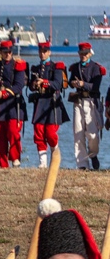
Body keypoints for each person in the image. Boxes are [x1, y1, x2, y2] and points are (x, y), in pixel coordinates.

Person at [29, 41, 69, 168]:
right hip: (40, 103)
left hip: (52, 103)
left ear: (49, 52)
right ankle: (43, 163)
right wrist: (34, 85)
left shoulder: (56, 67)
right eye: (40, 51)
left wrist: (44, 82)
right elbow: (30, 86)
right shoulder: (35, 69)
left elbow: (57, 84)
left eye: (45, 51)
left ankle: (55, 152)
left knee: (51, 133)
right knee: (39, 133)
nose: (42, 53)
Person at [0, 40, 30, 168]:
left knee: (13, 132)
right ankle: (2, 164)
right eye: (5, 52)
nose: (8, 54)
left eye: (10, 52)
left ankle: (15, 158)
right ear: (0, 52)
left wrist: (4, 94)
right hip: (0, 105)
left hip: (14, 105)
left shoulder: (18, 65)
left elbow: (19, 86)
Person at [68, 42, 104, 170]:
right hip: (78, 101)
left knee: (92, 133)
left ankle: (93, 154)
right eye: (81, 53)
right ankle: (82, 164)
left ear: (89, 53)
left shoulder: (96, 68)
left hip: (91, 101)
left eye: (85, 53)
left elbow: (96, 86)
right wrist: (73, 83)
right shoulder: (75, 67)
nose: (82, 55)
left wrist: (83, 84)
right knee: (78, 132)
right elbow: (70, 81)